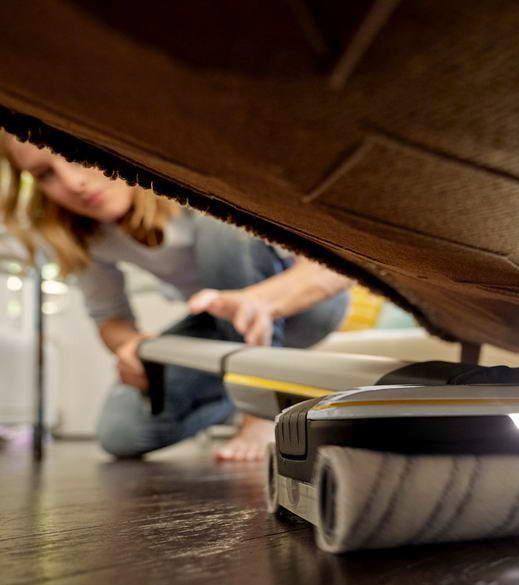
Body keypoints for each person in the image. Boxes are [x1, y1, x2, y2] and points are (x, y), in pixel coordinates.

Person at [1, 135, 352, 461]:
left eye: (75, 155)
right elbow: (109, 318)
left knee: (221, 226)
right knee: (122, 430)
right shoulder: (85, 235)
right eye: (45, 174)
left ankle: (261, 411)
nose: (73, 182)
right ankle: (257, 393)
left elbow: (339, 266)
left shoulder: (188, 179)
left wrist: (261, 300)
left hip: (301, 306)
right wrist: (132, 346)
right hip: (220, 323)